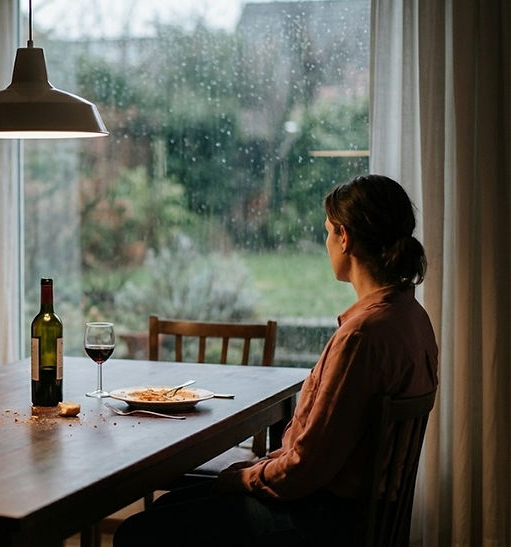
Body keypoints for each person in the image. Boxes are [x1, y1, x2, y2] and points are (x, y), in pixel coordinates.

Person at [114, 174, 439, 546]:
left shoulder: (361, 337)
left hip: (323, 523)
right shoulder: (411, 317)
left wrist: (242, 477)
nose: (326, 242)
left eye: (327, 232)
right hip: (361, 516)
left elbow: (304, 469)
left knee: (138, 532)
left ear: (344, 237)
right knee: (174, 504)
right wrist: (255, 470)